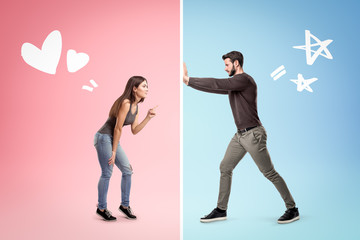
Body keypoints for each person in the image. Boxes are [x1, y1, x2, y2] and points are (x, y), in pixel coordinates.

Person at [183, 51, 299, 224]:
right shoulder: (234, 85)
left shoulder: (244, 80)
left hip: (254, 134)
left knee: (269, 172)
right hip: (240, 136)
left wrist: (189, 79)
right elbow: (215, 87)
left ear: (236, 64)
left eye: (227, 65)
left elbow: (217, 83)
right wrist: (189, 83)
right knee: (225, 167)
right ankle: (221, 210)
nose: (225, 68)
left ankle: (292, 209)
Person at [94, 76, 157, 221]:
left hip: (113, 140)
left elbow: (134, 130)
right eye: (144, 86)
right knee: (107, 172)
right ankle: (101, 208)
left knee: (127, 171)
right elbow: (117, 129)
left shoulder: (136, 107)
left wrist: (148, 117)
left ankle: (124, 206)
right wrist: (114, 152)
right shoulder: (126, 103)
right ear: (134, 89)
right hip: (104, 138)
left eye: (147, 86)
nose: (147, 89)